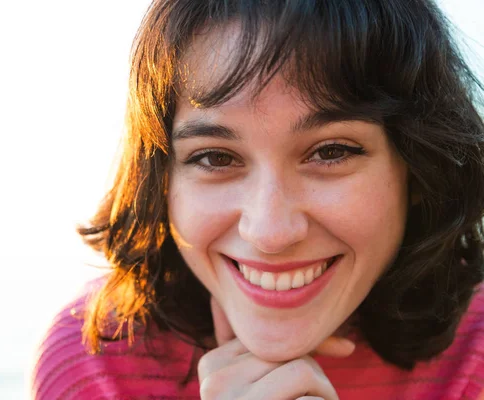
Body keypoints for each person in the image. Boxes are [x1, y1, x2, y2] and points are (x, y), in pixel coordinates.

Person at [30, 0, 484, 398]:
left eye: (331, 152)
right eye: (214, 158)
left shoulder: (475, 356)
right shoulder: (96, 360)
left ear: (420, 167)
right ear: (162, 179)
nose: (269, 233)